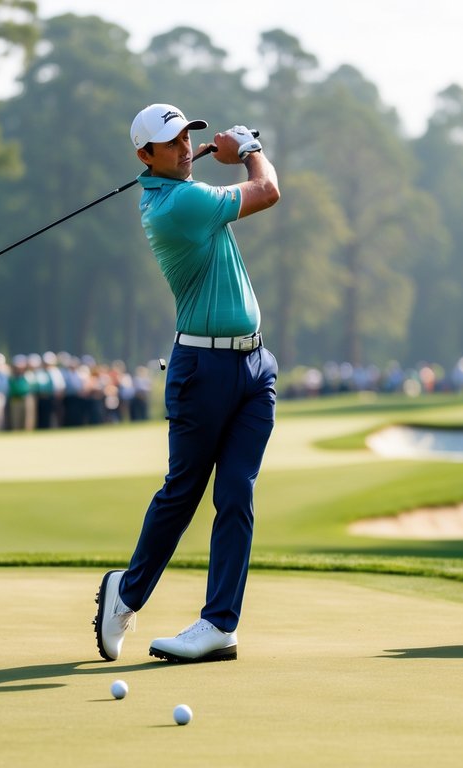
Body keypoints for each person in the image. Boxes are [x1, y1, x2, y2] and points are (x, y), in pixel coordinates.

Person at [94, 104, 279, 664]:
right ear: (144, 155)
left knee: (237, 494)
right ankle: (126, 595)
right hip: (202, 370)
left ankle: (219, 624)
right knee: (183, 493)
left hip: (255, 367)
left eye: (185, 138)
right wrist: (248, 148)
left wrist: (213, 159)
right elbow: (267, 191)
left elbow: (221, 188)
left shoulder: (180, 192)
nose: (182, 148)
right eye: (170, 142)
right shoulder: (177, 205)